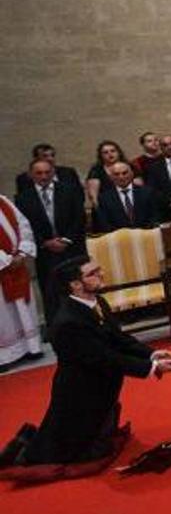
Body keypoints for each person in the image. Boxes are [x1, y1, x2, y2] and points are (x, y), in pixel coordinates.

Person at [0, 257, 171, 475]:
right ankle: (22, 453)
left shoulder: (97, 302)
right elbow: (105, 358)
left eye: (99, 269)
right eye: (92, 273)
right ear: (75, 284)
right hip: (80, 395)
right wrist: (151, 367)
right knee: (68, 452)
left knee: (100, 437)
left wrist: (150, 354)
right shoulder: (68, 323)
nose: (101, 274)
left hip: (101, 386)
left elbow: (117, 338)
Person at [15, 157, 88, 324]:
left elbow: (79, 217)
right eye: (39, 173)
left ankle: (85, 321)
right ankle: (56, 326)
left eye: (47, 172)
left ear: (53, 172)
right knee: (51, 291)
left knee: (78, 285)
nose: (44, 176)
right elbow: (25, 226)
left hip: (72, 248)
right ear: (31, 174)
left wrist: (66, 240)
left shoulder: (69, 190)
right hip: (45, 253)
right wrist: (45, 242)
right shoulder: (23, 198)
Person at [0, 193, 41, 370]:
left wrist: (22, 252)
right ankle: (5, 357)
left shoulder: (3, 201)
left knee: (24, 309)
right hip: (3, 268)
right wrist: (6, 260)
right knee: (4, 317)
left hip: (17, 263)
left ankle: (30, 348)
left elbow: (23, 225)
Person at [92, 161, 157, 232]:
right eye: (116, 174)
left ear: (132, 174)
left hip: (146, 235)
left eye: (125, 173)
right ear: (111, 177)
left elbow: (154, 217)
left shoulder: (147, 193)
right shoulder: (104, 198)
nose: (121, 177)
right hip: (118, 236)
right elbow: (104, 224)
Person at [143, 134, 171, 220]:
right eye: (165, 145)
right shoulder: (154, 167)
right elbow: (152, 189)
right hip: (166, 212)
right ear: (161, 148)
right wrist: (169, 202)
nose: (170, 147)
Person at [14, 144, 81, 196]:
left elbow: (79, 194)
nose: (50, 159)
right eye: (45, 156)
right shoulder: (24, 178)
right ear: (36, 158)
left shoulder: (68, 173)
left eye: (52, 155)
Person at [86, 140, 127, 205]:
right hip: (106, 205)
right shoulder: (97, 171)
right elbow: (93, 195)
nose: (110, 154)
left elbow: (139, 186)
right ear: (101, 155)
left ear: (119, 152)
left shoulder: (129, 166)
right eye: (106, 152)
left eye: (113, 151)